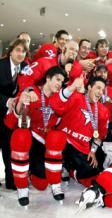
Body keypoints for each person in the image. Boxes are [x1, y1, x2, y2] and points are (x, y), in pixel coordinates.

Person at [5, 66, 67, 206]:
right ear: (48, 78)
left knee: (41, 183)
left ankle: (50, 180)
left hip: (45, 142)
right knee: (20, 135)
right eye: (57, 79)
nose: (59, 84)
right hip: (30, 139)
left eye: (62, 82)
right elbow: (12, 122)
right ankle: (22, 187)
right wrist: (21, 102)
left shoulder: (60, 98)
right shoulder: (32, 91)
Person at [50, 76, 109, 186]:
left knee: (94, 173)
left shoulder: (103, 111)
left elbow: (100, 135)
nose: (100, 92)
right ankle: (62, 164)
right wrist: (72, 87)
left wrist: (92, 151)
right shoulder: (76, 97)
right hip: (64, 142)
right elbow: (55, 104)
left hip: (81, 148)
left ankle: (70, 170)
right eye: (98, 88)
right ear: (90, 87)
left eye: (102, 90)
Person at [0, 38, 28, 189]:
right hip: (1, 108)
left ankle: (11, 181)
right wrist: (7, 101)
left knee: (9, 148)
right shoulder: (1, 65)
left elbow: (30, 86)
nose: (20, 54)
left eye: (23, 51)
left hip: (13, 116)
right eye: (17, 50)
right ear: (10, 51)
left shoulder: (26, 67)